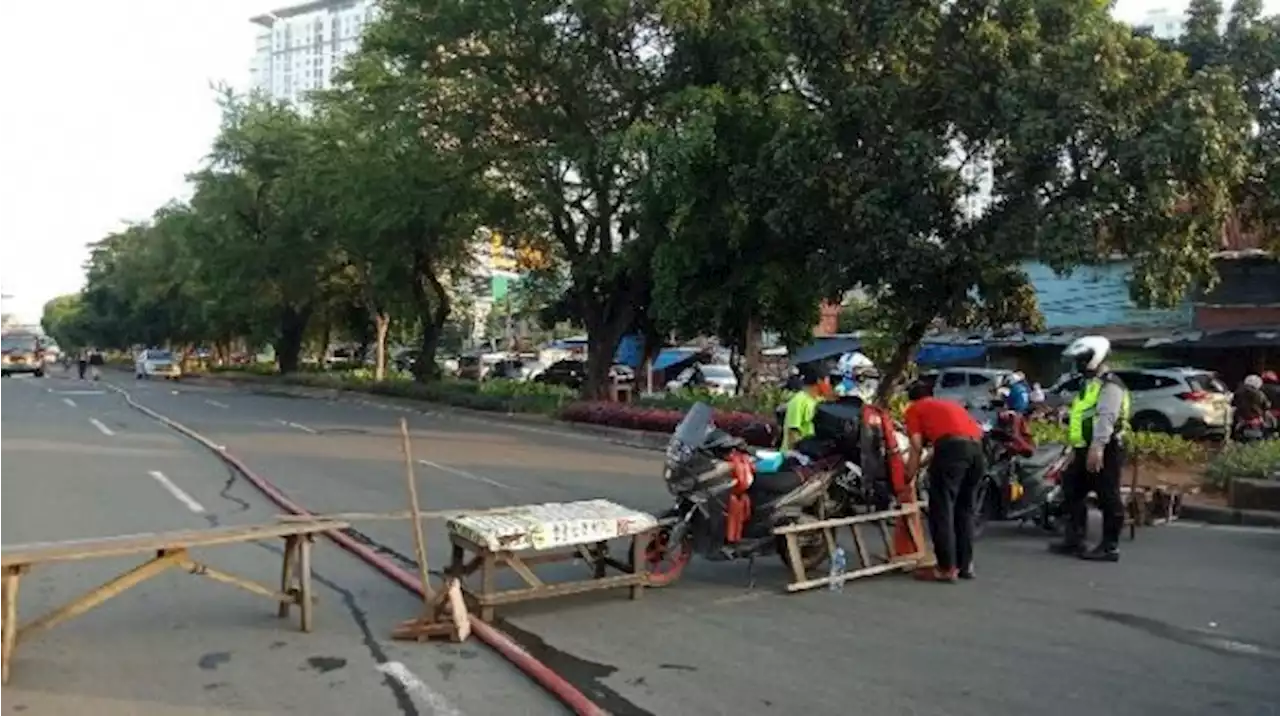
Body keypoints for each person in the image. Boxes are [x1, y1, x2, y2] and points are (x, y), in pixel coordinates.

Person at [1050, 335, 1130, 562]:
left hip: (1106, 447)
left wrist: (1098, 447)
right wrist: (1076, 448)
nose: (1079, 365)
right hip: (1085, 447)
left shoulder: (1110, 385)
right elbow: (1082, 417)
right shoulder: (1089, 384)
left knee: (1108, 496)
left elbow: (1107, 417)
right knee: (1072, 490)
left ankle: (1110, 546)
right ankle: (1074, 539)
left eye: (1082, 359)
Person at [903, 380, 985, 582]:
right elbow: (943, 443)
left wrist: (908, 475)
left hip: (952, 452)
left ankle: (946, 567)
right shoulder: (948, 405)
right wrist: (921, 466)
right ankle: (965, 566)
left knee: (942, 509)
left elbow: (916, 444)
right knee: (964, 510)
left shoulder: (915, 409)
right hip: (977, 451)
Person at [782, 367, 826, 452]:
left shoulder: (820, 400)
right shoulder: (798, 400)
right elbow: (793, 431)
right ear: (819, 382)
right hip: (798, 454)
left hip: (813, 451)